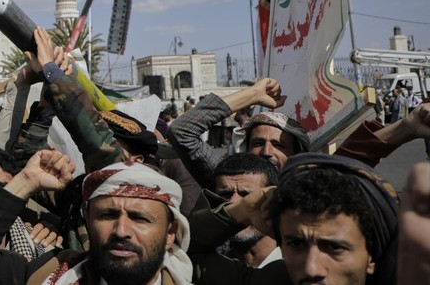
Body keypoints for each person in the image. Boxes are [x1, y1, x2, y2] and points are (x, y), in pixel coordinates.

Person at [0, 154, 192, 285]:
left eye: (140, 218)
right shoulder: (46, 274)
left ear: (171, 233)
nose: (121, 230)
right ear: (88, 220)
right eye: (107, 214)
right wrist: (26, 182)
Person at [190, 153, 399, 285]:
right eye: (296, 244)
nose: (311, 268)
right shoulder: (276, 279)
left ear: (371, 255)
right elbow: (173, 248)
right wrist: (242, 211)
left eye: (334, 247)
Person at [168, 78, 308, 189]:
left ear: (296, 154)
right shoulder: (230, 180)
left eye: (278, 145)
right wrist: (253, 94)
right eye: (257, 143)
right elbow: (181, 131)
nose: (266, 152)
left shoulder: (313, 193)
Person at [210, 153, 279, 268]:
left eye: (247, 195)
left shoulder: (296, 269)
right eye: (225, 194)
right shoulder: (212, 268)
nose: (234, 203)